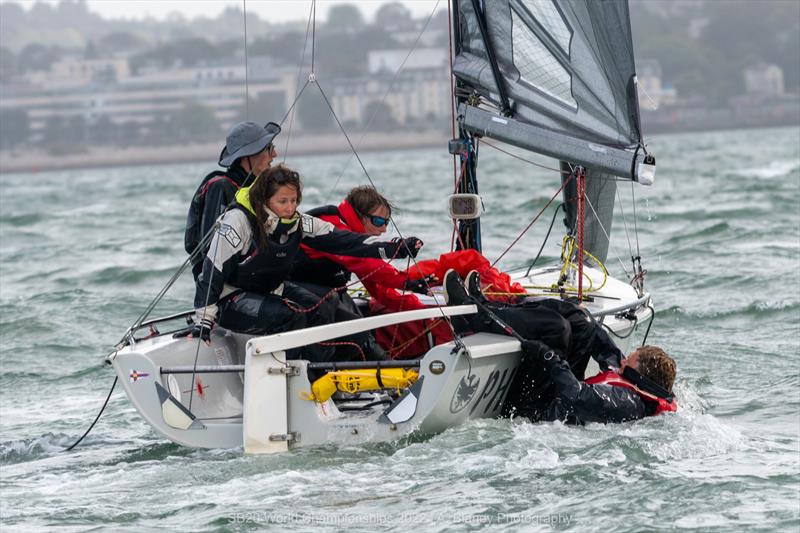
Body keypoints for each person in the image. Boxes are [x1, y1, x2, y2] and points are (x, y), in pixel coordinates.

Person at [181, 165, 423, 364]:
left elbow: (346, 241)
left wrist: (395, 247)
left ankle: (325, 371)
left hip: (271, 291)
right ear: (264, 199)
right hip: (231, 299)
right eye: (282, 201)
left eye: (294, 200)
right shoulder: (238, 221)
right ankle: (299, 377)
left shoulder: (298, 222)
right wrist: (204, 320)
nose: (290, 208)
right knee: (294, 315)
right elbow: (211, 271)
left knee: (322, 305)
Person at [442, 269, 677, 424]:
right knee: (580, 322)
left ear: (640, 374)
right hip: (554, 395)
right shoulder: (633, 379)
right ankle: (487, 307)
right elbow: (606, 348)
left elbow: (576, 396)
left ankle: (470, 316)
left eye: (630, 361)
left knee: (556, 329)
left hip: (537, 412)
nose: (624, 360)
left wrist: (548, 358)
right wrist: (579, 312)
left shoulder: (627, 402)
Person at [291, 185, 451, 358]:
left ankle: (385, 368)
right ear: (360, 216)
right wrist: (407, 282)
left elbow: (379, 288)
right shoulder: (331, 225)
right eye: (379, 222)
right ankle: (384, 370)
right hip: (300, 295)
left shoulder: (356, 239)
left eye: (386, 223)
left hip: (328, 294)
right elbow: (367, 264)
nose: (383, 229)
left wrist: (424, 312)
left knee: (361, 325)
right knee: (357, 330)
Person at [184, 121, 281, 279]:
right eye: (268, 148)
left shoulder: (254, 188)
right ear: (248, 156)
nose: (274, 155)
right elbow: (211, 252)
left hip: (254, 275)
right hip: (224, 287)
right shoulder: (221, 187)